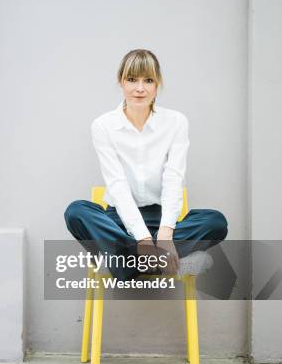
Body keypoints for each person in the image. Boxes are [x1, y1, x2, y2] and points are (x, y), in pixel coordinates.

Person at [64, 48, 228, 281]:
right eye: (132, 79)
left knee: (215, 221)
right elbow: (117, 185)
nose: (139, 88)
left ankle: (125, 262)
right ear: (121, 82)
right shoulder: (103, 126)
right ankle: (154, 259)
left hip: (162, 220)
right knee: (77, 211)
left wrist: (164, 236)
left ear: (157, 84)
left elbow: (174, 179)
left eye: (148, 80)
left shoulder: (176, 122)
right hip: (118, 222)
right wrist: (142, 239)